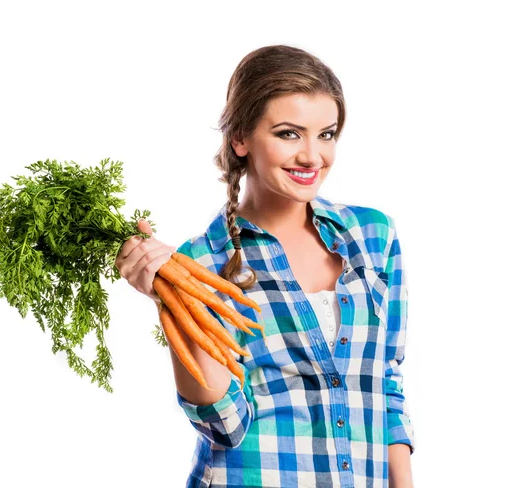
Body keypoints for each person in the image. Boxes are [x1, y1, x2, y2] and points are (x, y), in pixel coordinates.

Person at [115, 44, 416, 488]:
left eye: (327, 134)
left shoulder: (373, 236)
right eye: (289, 134)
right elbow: (224, 424)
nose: (313, 156)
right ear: (240, 138)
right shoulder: (201, 263)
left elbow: (385, 384)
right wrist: (173, 299)